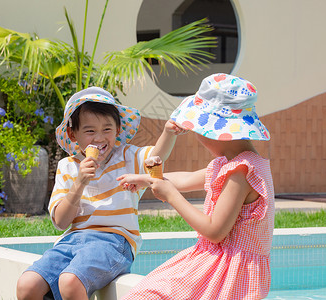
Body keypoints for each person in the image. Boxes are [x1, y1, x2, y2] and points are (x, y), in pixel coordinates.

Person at [16, 87, 185, 300]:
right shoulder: (67, 166)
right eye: (89, 131)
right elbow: (60, 222)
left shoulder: (127, 157)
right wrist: (79, 183)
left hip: (115, 240)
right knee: (27, 285)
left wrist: (168, 132)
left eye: (107, 129)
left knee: (70, 281)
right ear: (72, 134)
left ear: (117, 129)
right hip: (72, 240)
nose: (99, 138)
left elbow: (156, 157)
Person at [118, 73, 274, 299]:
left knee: (148, 295)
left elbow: (214, 231)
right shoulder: (235, 163)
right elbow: (186, 179)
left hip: (228, 271)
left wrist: (171, 196)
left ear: (219, 130)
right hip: (219, 261)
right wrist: (148, 179)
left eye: (199, 128)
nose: (197, 134)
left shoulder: (241, 171)